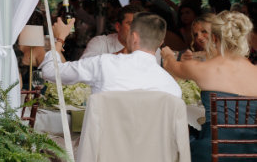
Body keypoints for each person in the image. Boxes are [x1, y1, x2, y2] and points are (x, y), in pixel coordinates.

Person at [162, 11, 257, 162]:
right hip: (252, 160)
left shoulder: (204, 69)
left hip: (212, 157)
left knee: (169, 144)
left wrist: (168, 55)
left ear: (214, 38)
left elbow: (172, 66)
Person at [40, 12, 181, 98]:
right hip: (147, 147)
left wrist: (59, 39)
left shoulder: (104, 64)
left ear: (134, 37)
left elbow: (50, 72)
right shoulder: (172, 88)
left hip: (102, 145)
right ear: (161, 42)